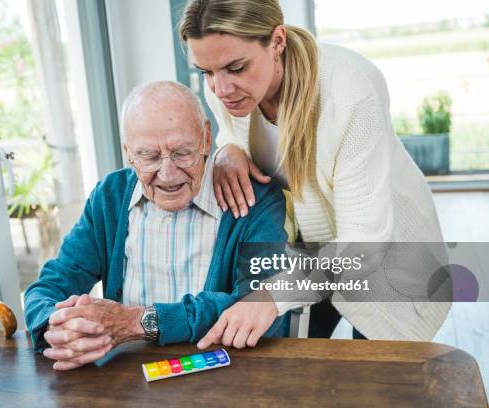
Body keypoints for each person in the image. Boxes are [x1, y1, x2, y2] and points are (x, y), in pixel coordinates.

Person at [176, 0, 451, 349]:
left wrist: (272, 297)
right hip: (309, 250)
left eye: (236, 67)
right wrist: (227, 150)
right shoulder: (226, 91)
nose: (220, 89)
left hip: (384, 248)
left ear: (277, 41)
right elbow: (238, 134)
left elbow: (363, 248)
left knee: (380, 371)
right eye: (206, 72)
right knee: (290, 360)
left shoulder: (350, 91)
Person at [24, 81, 289, 370]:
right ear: (128, 152)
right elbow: (50, 285)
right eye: (148, 156)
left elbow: (256, 302)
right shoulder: (109, 197)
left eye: (182, 152)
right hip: (127, 378)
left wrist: (136, 322)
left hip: (224, 375)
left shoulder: (254, 198)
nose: (167, 173)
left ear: (206, 137)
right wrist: (59, 326)